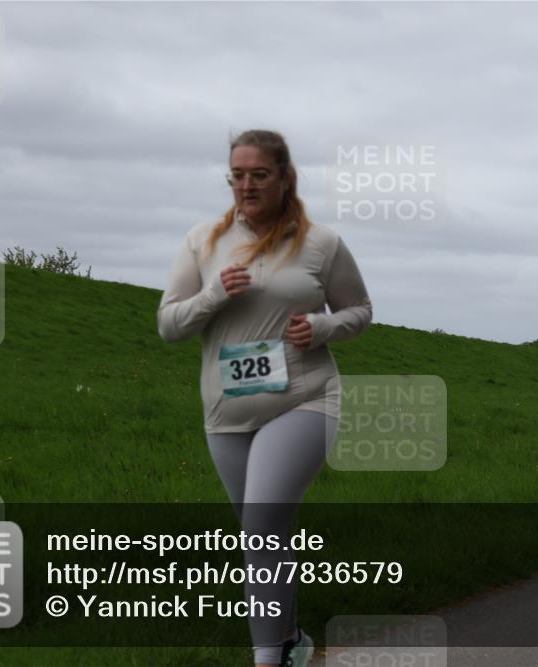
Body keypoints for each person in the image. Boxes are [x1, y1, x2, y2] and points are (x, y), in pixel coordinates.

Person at [157, 129, 372, 667]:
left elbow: (360, 311)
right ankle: (292, 637)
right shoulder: (202, 241)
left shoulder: (321, 244)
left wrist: (322, 327)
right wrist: (212, 295)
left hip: (304, 399)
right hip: (227, 410)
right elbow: (169, 325)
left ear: (284, 177)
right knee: (264, 533)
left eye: (259, 174)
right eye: (237, 175)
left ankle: (267, 658)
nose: (246, 185)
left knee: (260, 526)